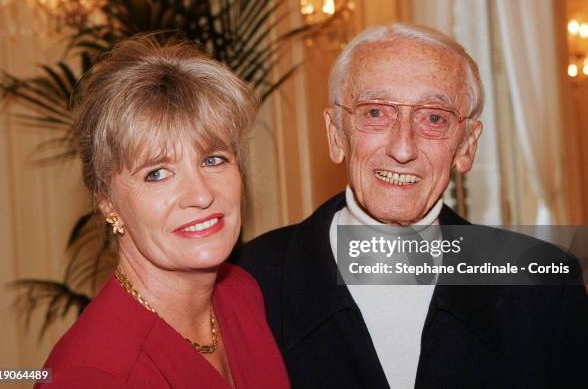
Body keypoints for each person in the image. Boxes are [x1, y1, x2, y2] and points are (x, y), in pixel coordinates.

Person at [236, 24, 588, 389]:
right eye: (375, 113)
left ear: (467, 145)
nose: (403, 148)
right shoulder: (252, 282)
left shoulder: (543, 287)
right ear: (336, 133)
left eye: (433, 118)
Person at [36, 36, 290, 388]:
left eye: (213, 159)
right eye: (157, 173)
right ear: (107, 201)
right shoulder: (90, 375)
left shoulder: (241, 294)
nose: (201, 195)